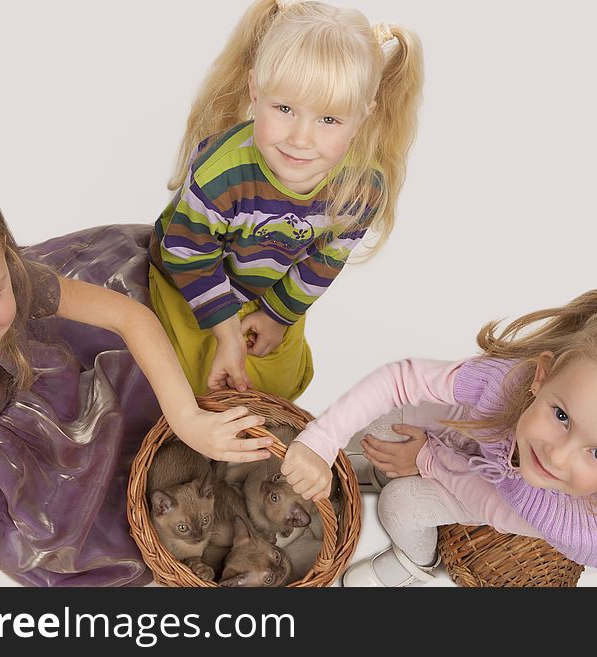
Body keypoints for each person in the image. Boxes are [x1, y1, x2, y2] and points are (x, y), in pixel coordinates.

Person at [0, 162, 271, 586]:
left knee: (142, 438)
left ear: (6, 261)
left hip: (32, 395)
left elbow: (128, 316)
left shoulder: (8, 279)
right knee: (94, 549)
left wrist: (186, 417)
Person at [281, 290, 597, 585]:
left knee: (401, 505)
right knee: (382, 426)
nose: (558, 455)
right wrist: (319, 441)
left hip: (495, 495)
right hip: (489, 443)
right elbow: (401, 379)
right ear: (541, 375)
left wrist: (428, 460)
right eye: (562, 415)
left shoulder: (570, 515)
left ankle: (416, 563)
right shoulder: (507, 383)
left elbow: (487, 500)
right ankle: (379, 470)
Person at [148, 0, 423, 400]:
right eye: (285, 109)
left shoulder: (361, 188)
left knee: (273, 386)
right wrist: (225, 333)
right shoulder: (221, 175)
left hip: (267, 286)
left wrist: (278, 316)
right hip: (189, 280)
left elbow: (323, 260)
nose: (300, 139)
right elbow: (188, 254)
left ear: (363, 115)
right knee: (191, 386)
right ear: (255, 91)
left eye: (329, 120)